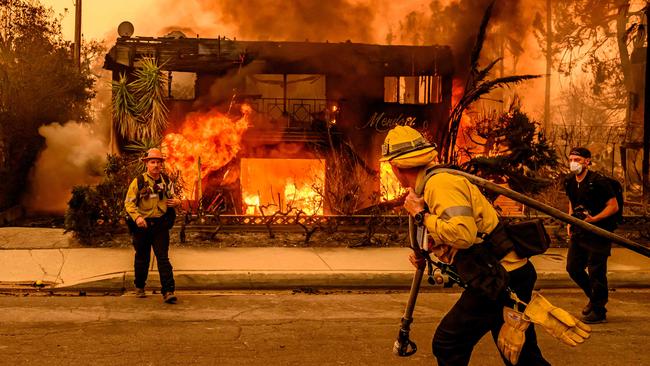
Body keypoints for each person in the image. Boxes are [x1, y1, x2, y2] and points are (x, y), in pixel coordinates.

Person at [381, 125, 549, 366]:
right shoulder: (427, 186)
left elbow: (462, 234)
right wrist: (424, 252)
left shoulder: (440, 185)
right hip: (503, 275)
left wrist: (420, 215)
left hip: (500, 278)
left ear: (395, 167)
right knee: (519, 354)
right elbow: (447, 230)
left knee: (448, 343)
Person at [565, 147, 618, 324]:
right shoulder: (570, 181)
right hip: (579, 232)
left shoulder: (599, 182)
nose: (574, 163)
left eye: (578, 160)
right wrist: (569, 221)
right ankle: (594, 299)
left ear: (587, 161)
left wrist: (594, 219)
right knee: (573, 268)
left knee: (596, 271)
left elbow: (613, 206)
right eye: (571, 159)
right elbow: (572, 203)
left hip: (599, 232)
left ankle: (599, 311)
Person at [124, 148, 181, 304]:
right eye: (153, 162)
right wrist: (137, 218)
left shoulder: (166, 181)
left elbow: (173, 197)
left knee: (163, 258)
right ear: (147, 164)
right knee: (142, 257)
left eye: (158, 162)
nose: (156, 165)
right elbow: (129, 204)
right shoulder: (139, 182)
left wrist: (177, 202)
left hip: (160, 225)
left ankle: (168, 291)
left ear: (161, 165)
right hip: (142, 226)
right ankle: (140, 286)